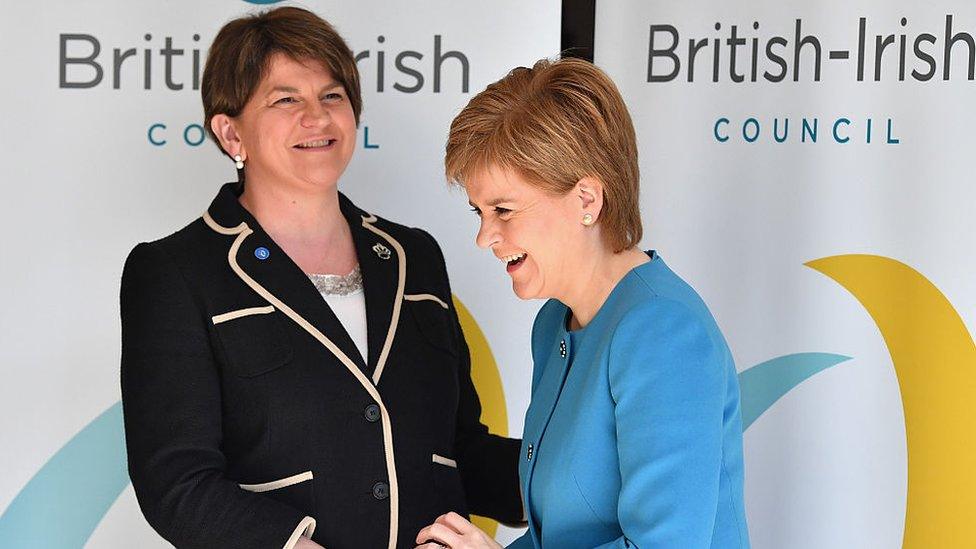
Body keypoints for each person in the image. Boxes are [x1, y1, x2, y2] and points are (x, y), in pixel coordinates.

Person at [120, 7, 522, 549]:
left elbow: (459, 450)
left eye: (332, 96)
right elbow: (176, 483)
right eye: (287, 100)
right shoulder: (174, 272)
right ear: (229, 130)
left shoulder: (415, 255)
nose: (318, 117)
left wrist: (581, 479)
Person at [416, 58, 750, 548]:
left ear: (587, 199)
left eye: (503, 210)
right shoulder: (553, 324)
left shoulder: (664, 332)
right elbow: (556, 535)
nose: (484, 236)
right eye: (479, 212)